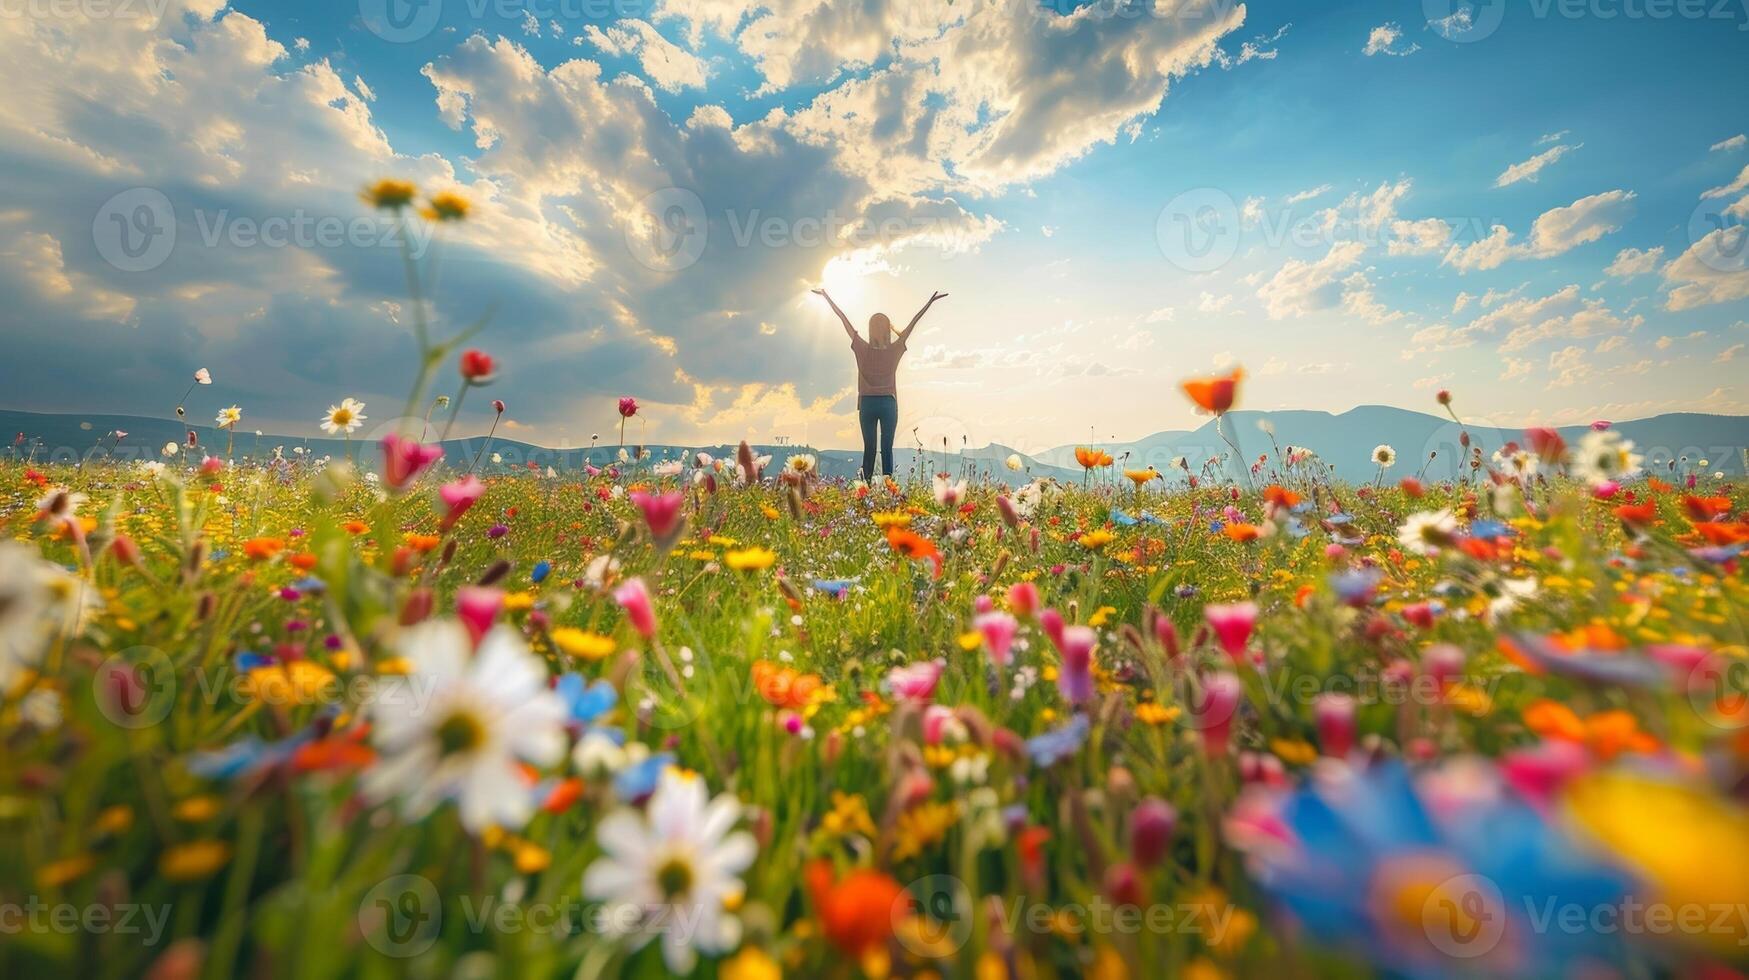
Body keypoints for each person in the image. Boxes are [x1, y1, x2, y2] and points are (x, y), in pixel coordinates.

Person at [813, 287, 947, 482]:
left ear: (870, 329)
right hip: (888, 404)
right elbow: (912, 325)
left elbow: (844, 320)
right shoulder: (893, 350)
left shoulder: (862, 348)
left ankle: (865, 489)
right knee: (886, 450)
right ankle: (888, 490)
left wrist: (827, 298)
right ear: (887, 330)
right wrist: (929, 303)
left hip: (867, 404)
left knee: (869, 449)